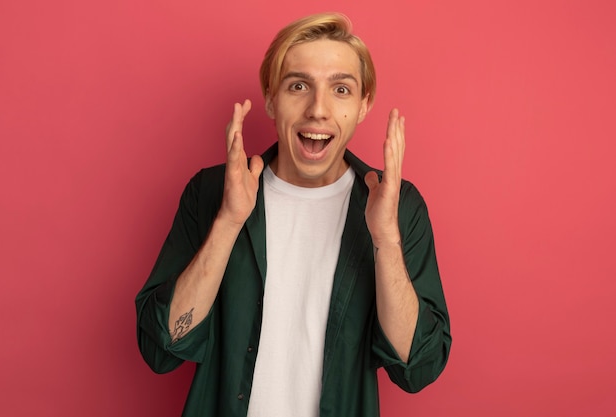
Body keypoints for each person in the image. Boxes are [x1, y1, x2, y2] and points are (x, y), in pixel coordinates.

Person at [136, 12, 451, 417]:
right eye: (298, 86)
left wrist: (386, 241)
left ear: (363, 105)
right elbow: (161, 349)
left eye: (341, 89)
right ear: (270, 98)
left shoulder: (397, 205)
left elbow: (419, 369)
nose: (317, 110)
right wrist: (229, 222)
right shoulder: (211, 192)